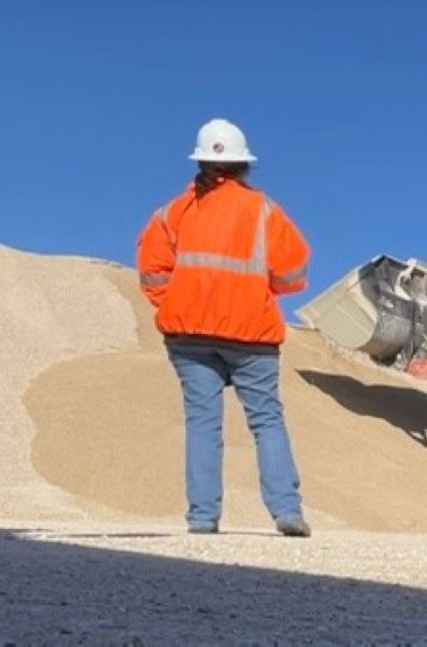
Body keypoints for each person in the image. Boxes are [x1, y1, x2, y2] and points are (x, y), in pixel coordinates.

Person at [136, 117, 312, 537]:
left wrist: (175, 302)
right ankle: (286, 511)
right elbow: (293, 272)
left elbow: (151, 272)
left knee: (202, 423)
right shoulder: (264, 211)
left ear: (199, 162)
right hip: (252, 334)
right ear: (243, 164)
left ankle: (202, 517)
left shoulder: (172, 213)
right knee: (266, 420)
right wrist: (257, 290)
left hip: (189, 335)